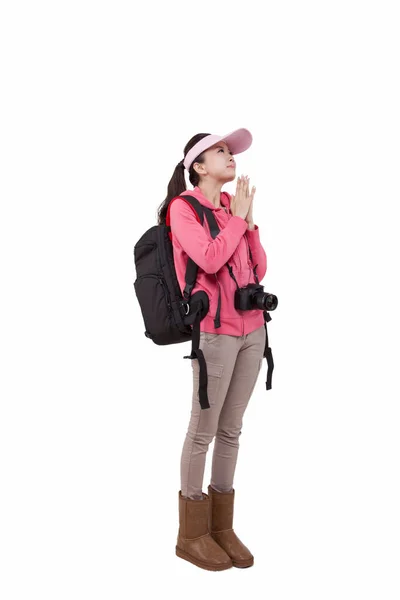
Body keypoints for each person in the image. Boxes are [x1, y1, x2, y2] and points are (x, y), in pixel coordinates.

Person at [157, 128, 268, 571]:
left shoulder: (231, 207)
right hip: (216, 333)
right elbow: (208, 261)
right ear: (198, 167)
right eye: (220, 151)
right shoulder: (184, 209)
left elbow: (258, 269)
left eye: (231, 151)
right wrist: (239, 221)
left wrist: (250, 223)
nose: (230, 156)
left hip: (253, 330)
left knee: (232, 429)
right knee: (203, 430)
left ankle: (221, 527)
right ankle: (192, 533)